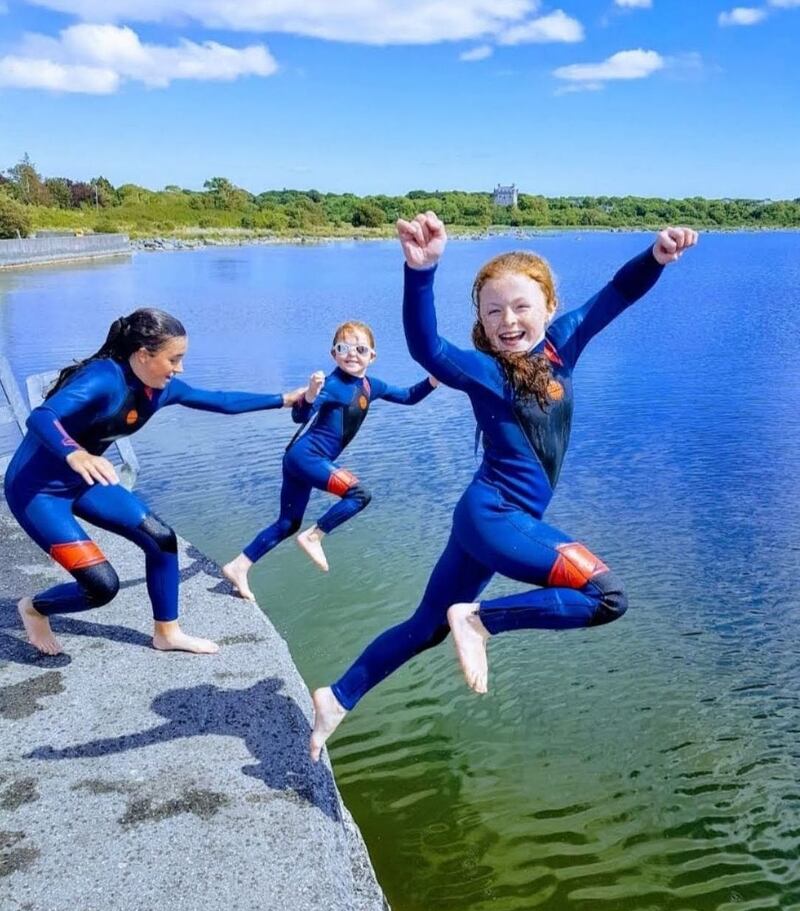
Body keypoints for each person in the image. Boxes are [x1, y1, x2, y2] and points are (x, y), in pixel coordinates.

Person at [309, 212, 698, 761]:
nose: (508, 321)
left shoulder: (564, 345)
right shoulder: (486, 371)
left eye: (520, 307)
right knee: (606, 596)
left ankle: (336, 698)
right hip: (494, 517)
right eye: (493, 312)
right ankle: (480, 620)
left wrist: (655, 258)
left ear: (549, 309)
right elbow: (427, 348)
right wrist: (421, 272)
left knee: (425, 628)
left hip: (487, 521)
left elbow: (618, 291)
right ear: (483, 323)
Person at [5, 307, 307, 657]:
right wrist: (76, 453)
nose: (180, 368)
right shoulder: (103, 378)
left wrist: (284, 400)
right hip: (36, 491)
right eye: (174, 359)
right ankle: (34, 608)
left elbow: (220, 401)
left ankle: (167, 633)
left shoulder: (159, 389)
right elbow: (42, 416)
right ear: (143, 355)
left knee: (161, 540)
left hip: (84, 480)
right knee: (101, 587)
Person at [223, 320, 437, 598]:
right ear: (333, 354)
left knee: (287, 523)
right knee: (359, 495)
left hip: (299, 459)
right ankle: (314, 536)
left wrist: (435, 379)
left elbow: (409, 396)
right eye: (343, 348)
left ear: (372, 355)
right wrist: (311, 394)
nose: (351, 354)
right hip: (306, 457)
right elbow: (299, 416)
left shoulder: (373, 386)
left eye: (360, 348)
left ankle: (239, 566)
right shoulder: (333, 384)